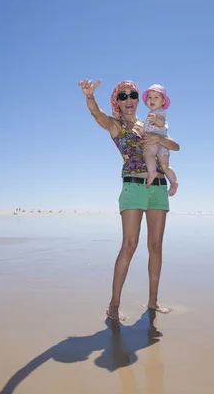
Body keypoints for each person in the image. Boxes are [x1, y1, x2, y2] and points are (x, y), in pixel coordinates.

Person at [78, 78, 181, 321]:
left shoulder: (150, 123)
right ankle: (113, 306)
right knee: (130, 245)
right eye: (122, 96)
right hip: (133, 187)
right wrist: (90, 97)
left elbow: (175, 146)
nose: (128, 100)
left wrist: (158, 140)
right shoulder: (116, 126)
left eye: (132, 95)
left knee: (156, 247)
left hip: (157, 187)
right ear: (117, 101)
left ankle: (153, 302)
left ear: (138, 99)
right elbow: (97, 116)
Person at [141, 84, 178, 196]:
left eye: (156, 97)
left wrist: (156, 119)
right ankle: (174, 182)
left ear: (163, 102)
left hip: (155, 139)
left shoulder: (158, 113)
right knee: (165, 165)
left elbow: (161, 122)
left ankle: (152, 172)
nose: (152, 100)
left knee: (149, 154)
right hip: (163, 144)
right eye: (150, 97)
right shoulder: (153, 113)